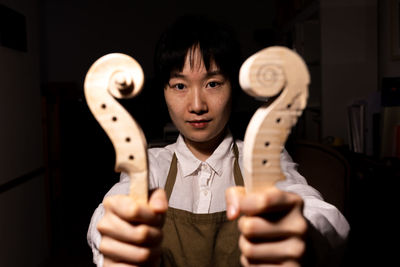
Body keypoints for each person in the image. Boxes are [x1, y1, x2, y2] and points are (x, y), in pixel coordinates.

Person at [87, 15, 350, 267]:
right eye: (180, 86)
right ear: (164, 93)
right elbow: (113, 207)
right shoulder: (153, 164)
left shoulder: (260, 157)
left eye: (212, 83)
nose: (197, 105)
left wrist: (302, 233)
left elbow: (324, 215)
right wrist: (113, 235)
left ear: (232, 87)